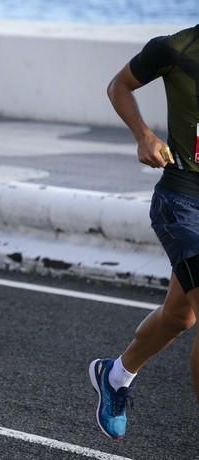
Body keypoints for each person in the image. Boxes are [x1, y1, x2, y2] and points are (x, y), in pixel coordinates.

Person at [89, 24, 199, 440]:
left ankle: (114, 376)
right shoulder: (175, 47)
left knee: (180, 315)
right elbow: (120, 85)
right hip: (183, 202)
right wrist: (145, 135)